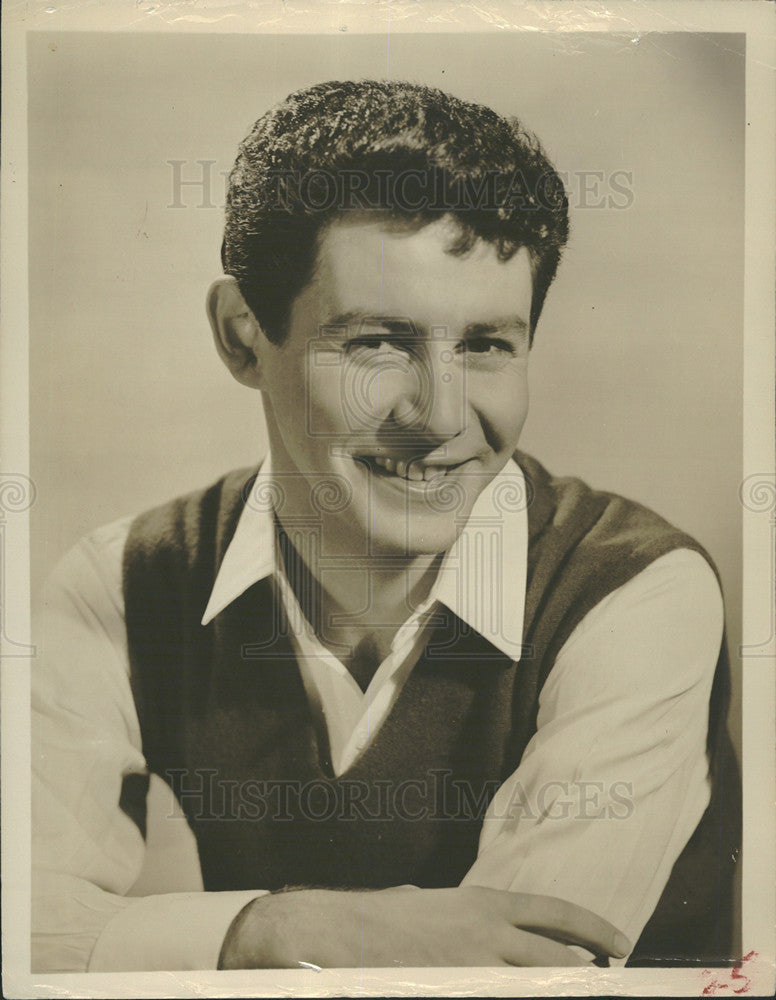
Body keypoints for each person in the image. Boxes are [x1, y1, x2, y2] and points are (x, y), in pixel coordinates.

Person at [32, 79, 740, 973]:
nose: (440, 415)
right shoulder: (125, 583)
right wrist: (271, 930)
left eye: (486, 345)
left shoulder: (633, 588)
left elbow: (524, 978)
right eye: (377, 342)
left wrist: (213, 943)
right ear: (243, 337)